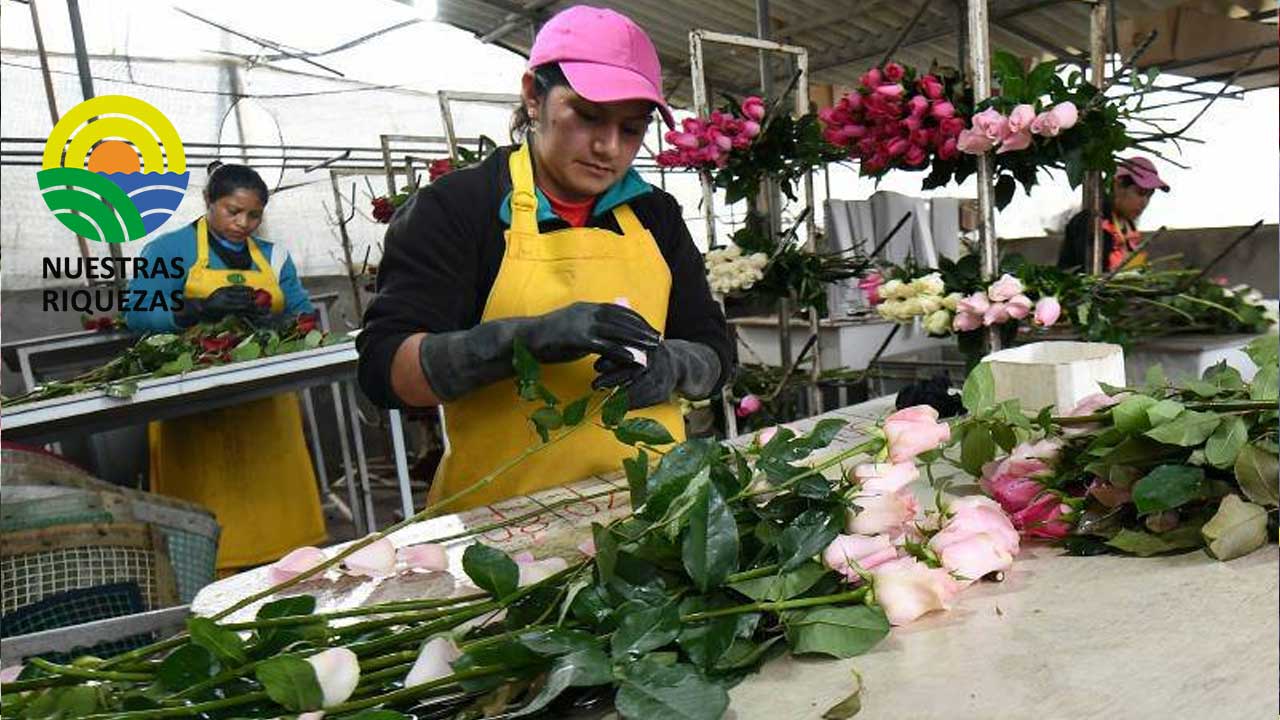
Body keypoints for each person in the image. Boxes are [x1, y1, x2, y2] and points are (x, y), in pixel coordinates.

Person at [358, 5, 732, 513]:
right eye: (587, 116)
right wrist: (521, 342)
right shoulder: (458, 209)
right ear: (534, 95)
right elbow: (386, 370)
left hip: (654, 513)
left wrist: (676, 365)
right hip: (505, 528)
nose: (607, 147)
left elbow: (714, 346)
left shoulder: (654, 215)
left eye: (631, 129)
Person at [126, 162, 326, 572]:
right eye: (232, 211)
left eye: (254, 215)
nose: (243, 223)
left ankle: (292, 572)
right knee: (207, 507)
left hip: (264, 402)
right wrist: (194, 309)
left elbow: (303, 314)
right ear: (209, 202)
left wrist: (274, 318)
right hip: (192, 402)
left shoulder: (274, 256)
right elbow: (138, 313)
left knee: (279, 512)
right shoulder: (166, 250)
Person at [1058, 156, 1170, 272]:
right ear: (1118, 185)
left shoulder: (1128, 226)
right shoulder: (1090, 222)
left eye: (1149, 195)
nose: (1144, 202)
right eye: (1140, 193)